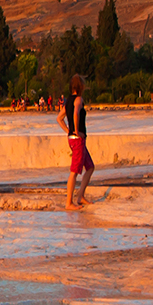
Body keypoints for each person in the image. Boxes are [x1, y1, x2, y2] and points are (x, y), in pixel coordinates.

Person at [57, 73, 94, 209]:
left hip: (73, 139)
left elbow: (59, 118)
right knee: (74, 171)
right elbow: (76, 114)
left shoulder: (68, 101)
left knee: (90, 167)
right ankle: (69, 203)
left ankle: (80, 196)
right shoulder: (78, 100)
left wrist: (68, 130)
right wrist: (76, 131)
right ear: (81, 86)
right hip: (77, 140)